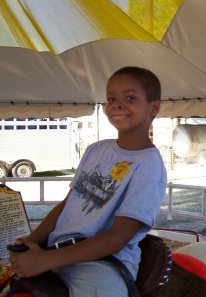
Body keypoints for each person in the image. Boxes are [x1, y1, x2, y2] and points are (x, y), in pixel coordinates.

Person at [8, 66, 167, 297]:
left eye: (130, 98)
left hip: (101, 262)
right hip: (56, 249)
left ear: (154, 107)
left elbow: (118, 237)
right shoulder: (96, 150)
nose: (117, 105)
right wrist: (33, 240)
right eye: (111, 99)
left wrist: (45, 260)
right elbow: (67, 204)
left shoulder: (149, 166)